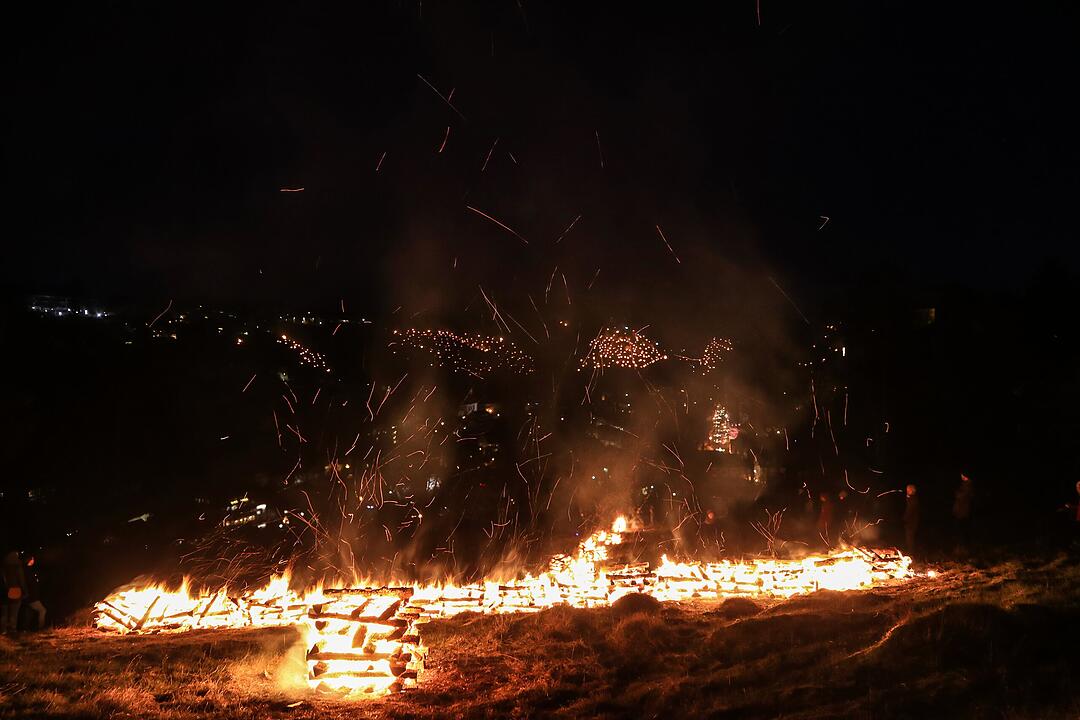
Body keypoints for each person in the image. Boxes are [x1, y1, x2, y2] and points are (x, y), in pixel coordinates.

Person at [2, 550, 26, 634]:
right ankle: (12, 629)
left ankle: (3, 630)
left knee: (4, 612)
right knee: (14, 611)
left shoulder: (3, 568)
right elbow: (21, 580)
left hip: (4, 591)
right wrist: (24, 591)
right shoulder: (17, 567)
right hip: (16, 590)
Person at [22, 555, 46, 630]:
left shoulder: (28, 570)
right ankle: (41, 627)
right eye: (33, 559)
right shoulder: (28, 571)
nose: (34, 560)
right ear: (30, 560)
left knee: (29, 613)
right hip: (32, 596)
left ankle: (25, 628)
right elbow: (30, 583)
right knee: (43, 610)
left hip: (30, 596)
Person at [953, 472, 975, 551]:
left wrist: (958, 493)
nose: (961, 476)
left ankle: (964, 548)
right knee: (960, 531)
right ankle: (961, 547)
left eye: (962, 475)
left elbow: (960, 495)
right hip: (960, 511)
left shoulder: (968, 485)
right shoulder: (964, 484)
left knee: (963, 531)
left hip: (963, 512)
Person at [903, 484, 920, 555]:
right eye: (907, 489)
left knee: (910, 538)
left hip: (912, 522)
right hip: (911, 521)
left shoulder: (913, 499)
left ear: (912, 491)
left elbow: (910, 510)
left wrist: (905, 518)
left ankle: (911, 554)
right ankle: (911, 553)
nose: (907, 491)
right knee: (909, 538)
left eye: (909, 490)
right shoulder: (911, 498)